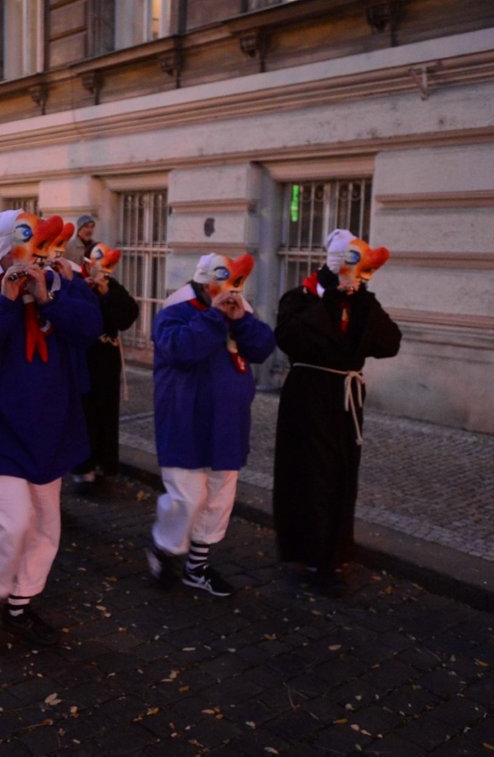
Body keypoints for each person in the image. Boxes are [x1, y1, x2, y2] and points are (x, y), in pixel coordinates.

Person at [0, 209, 102, 647]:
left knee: (45, 524)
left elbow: (89, 328)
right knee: (13, 522)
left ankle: (20, 603)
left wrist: (50, 298)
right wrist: (6, 300)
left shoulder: (60, 283)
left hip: (49, 426)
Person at [272, 229, 401, 597]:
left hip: (346, 399)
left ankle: (335, 548)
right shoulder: (300, 298)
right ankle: (313, 555)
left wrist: (361, 302)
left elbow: (389, 343)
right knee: (313, 474)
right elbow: (290, 338)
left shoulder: (362, 302)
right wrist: (328, 301)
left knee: (342, 473)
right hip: (309, 395)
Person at [146, 253, 275, 597]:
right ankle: (165, 546)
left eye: (233, 285)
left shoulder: (239, 310)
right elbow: (181, 349)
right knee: (187, 497)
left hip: (228, 421)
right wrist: (216, 317)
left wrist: (241, 321)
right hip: (185, 419)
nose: (228, 292)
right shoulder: (174, 312)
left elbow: (263, 347)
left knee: (219, 496)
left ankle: (197, 566)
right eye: (220, 285)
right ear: (204, 284)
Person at [70, 243, 139, 495]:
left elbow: (129, 315)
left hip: (107, 360)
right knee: (84, 412)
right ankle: (82, 469)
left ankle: (104, 465)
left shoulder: (114, 287)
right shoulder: (77, 286)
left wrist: (108, 293)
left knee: (107, 412)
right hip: (85, 358)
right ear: (87, 263)